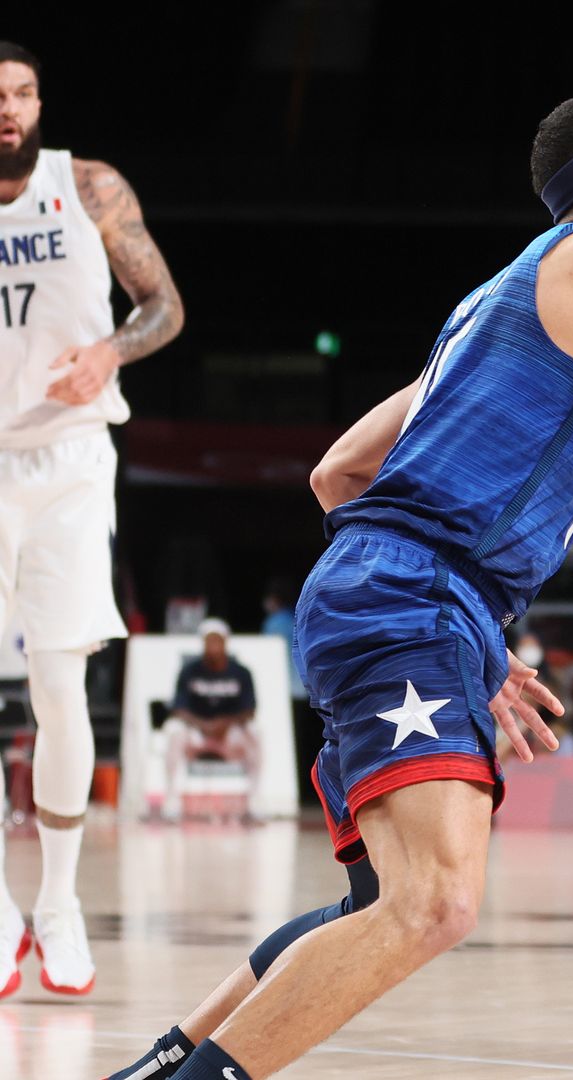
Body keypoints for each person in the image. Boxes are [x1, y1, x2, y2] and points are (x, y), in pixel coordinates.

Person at [103, 88, 573, 1080]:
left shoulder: (489, 306)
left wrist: (471, 641)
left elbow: (337, 471)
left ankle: (159, 1067)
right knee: (436, 905)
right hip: (414, 597)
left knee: (382, 909)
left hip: (401, 594)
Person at [0, 41, 185, 1000]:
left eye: (23, 92)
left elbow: (165, 305)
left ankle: (59, 905)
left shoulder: (90, 185)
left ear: (39, 104)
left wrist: (110, 351)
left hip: (70, 458)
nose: (10, 108)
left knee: (59, 686)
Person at [157, 619, 260, 823]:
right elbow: (179, 709)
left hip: (229, 736)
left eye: (217, 641)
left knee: (256, 732)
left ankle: (255, 802)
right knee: (173, 730)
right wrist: (204, 725)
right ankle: (171, 801)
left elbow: (249, 711)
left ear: (225, 642)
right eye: (208, 641)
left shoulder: (241, 672)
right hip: (197, 734)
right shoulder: (189, 671)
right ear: (202, 643)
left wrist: (225, 723)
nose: (213, 646)